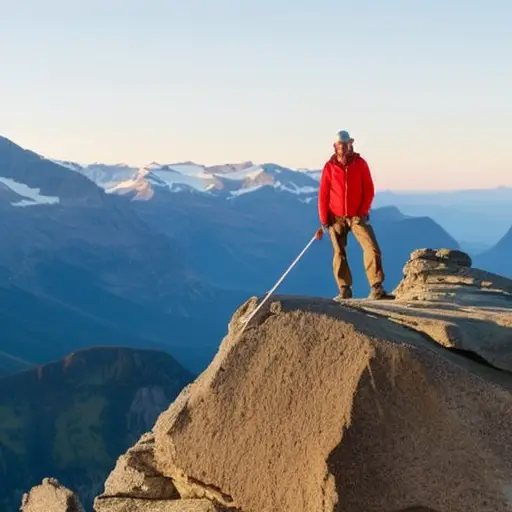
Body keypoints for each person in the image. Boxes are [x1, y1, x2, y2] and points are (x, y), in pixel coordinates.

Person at [317, 129, 389, 300]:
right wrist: (324, 219)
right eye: (340, 145)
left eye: (345, 144)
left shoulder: (360, 163)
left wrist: (363, 211)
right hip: (336, 217)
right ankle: (344, 289)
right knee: (339, 253)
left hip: (357, 216)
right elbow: (323, 194)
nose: (342, 147)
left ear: (350, 144)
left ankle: (376, 287)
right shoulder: (329, 167)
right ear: (335, 146)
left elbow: (369, 189)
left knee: (372, 248)